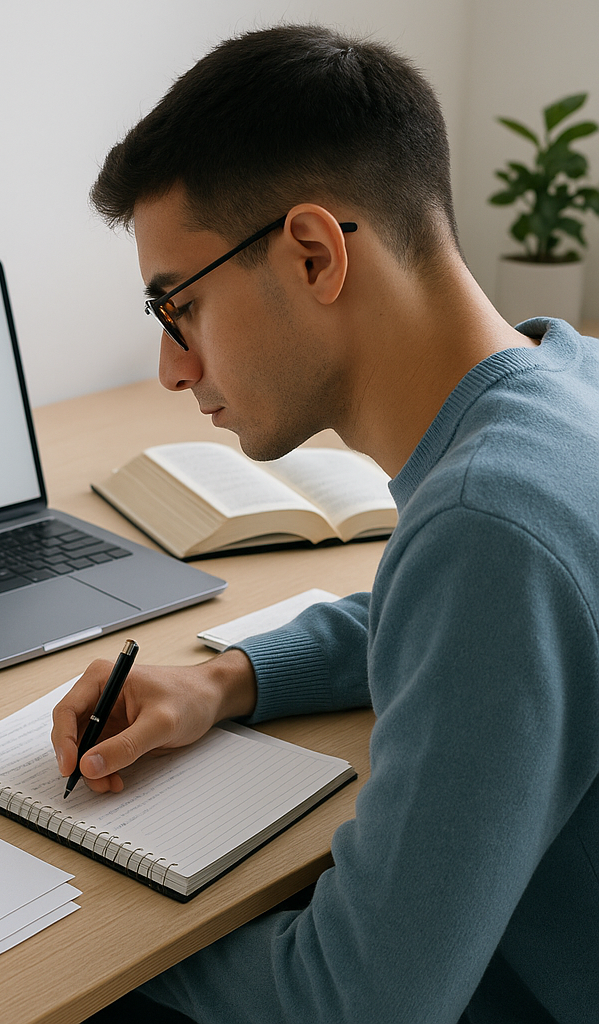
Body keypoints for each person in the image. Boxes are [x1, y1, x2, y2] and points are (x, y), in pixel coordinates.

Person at [50, 24, 599, 1024]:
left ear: (312, 253)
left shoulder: (489, 525)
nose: (172, 367)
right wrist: (229, 675)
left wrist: (67, 926)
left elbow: (353, 1003)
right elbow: (455, 628)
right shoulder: (569, 378)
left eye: (176, 305)